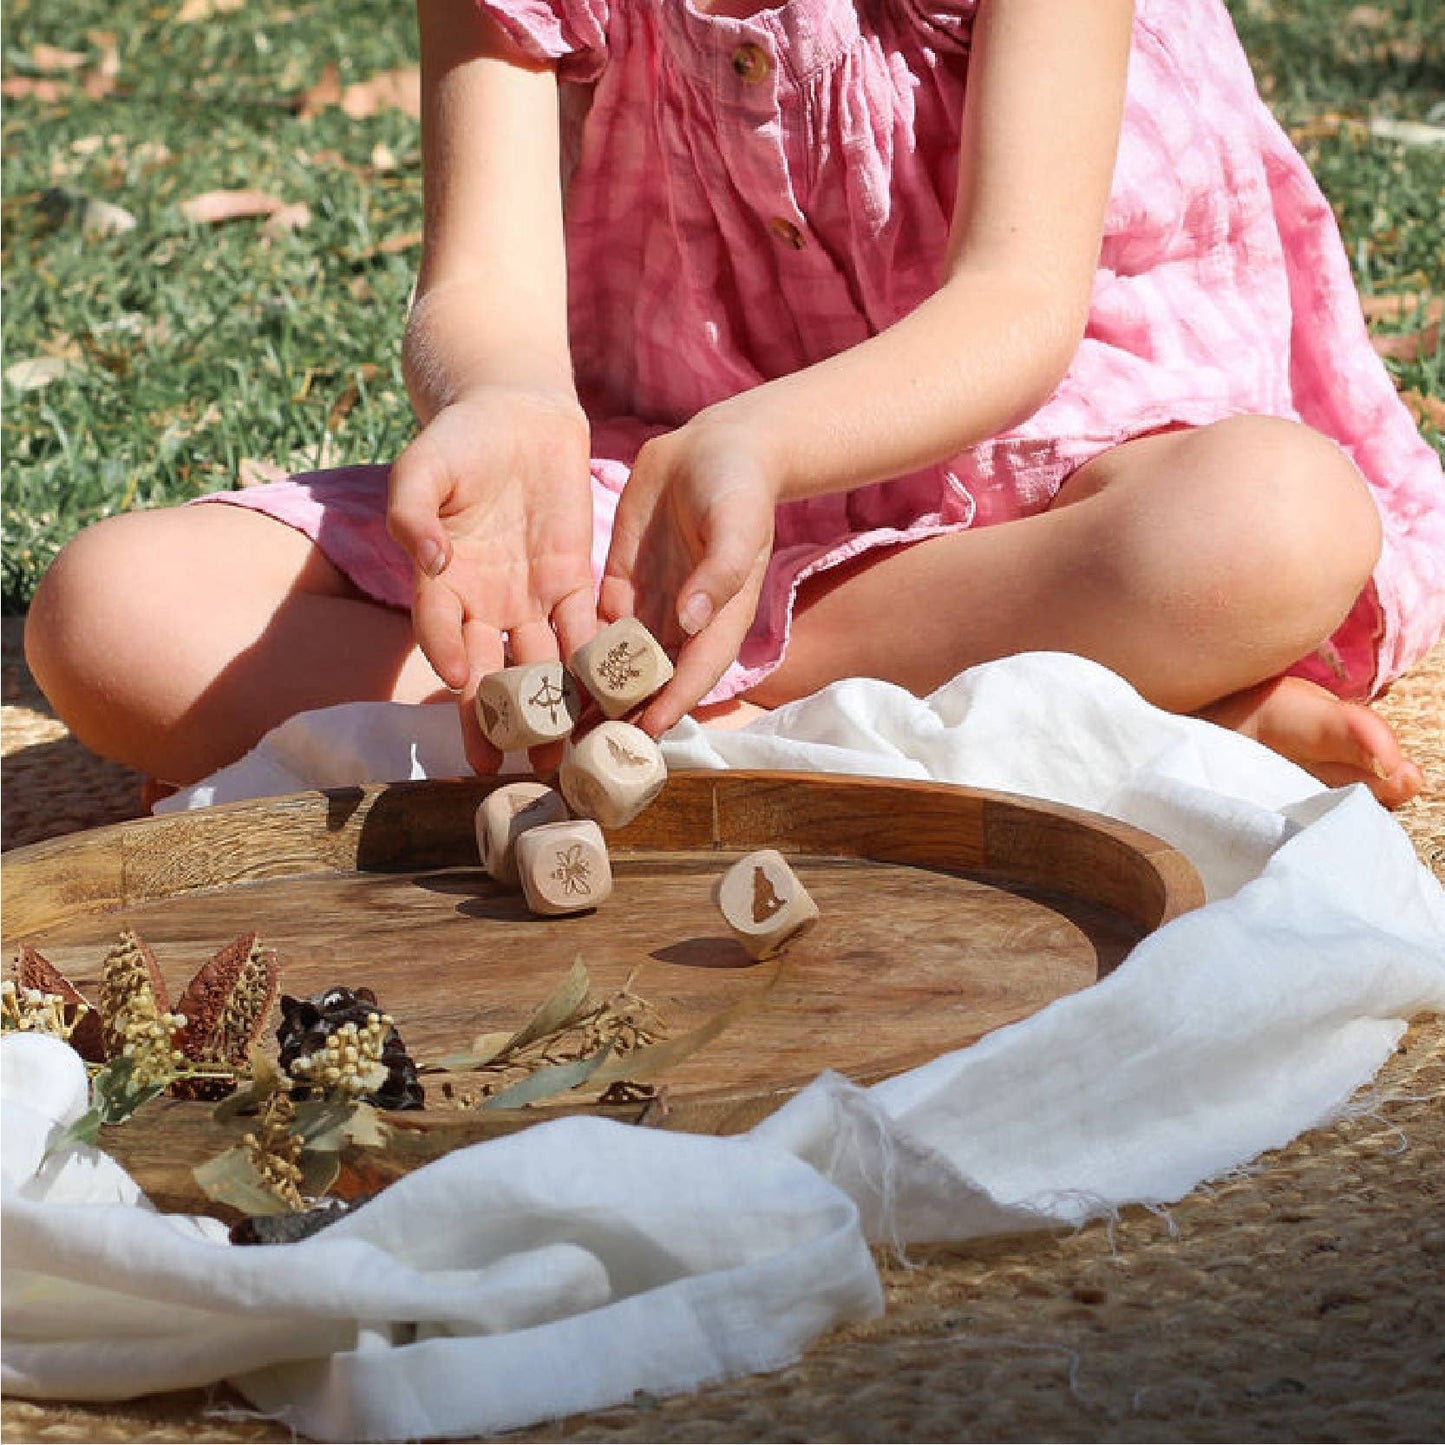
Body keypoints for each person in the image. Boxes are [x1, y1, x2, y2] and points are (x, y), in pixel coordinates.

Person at [25, 0, 1445, 807]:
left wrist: (759, 442)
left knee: (1268, 522)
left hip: (1037, 450)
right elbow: (485, 290)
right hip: (668, 481)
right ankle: (1063, 712)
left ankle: (627, 728)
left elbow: (1014, 308)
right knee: (114, 619)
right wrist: (505, 400)